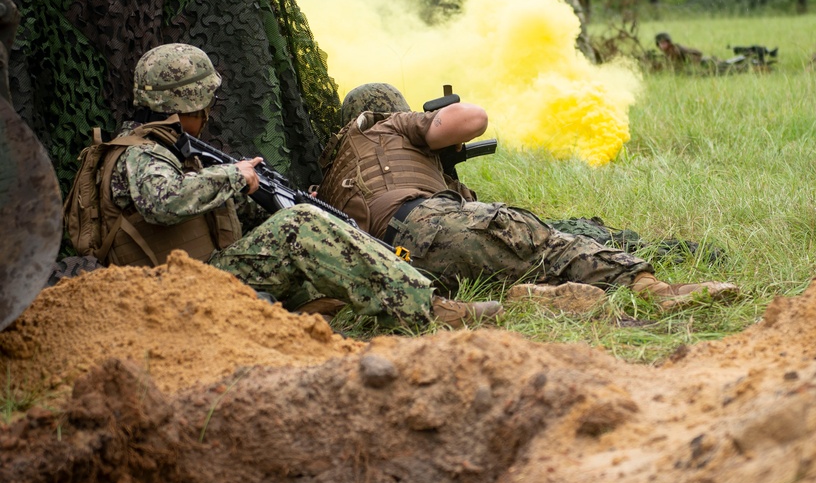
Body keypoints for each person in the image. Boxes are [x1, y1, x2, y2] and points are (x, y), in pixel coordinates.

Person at [74, 43, 500, 330]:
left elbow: (198, 221)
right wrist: (233, 176)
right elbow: (162, 203)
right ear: (183, 105)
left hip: (192, 279)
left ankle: (306, 308)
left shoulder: (165, 150)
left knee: (300, 218)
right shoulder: (140, 154)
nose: (208, 114)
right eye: (203, 105)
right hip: (167, 294)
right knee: (298, 226)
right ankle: (426, 310)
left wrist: (257, 197)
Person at [314, 83, 738, 313]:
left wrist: (445, 168)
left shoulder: (335, 172)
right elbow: (472, 119)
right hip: (425, 226)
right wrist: (437, 120)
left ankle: (539, 297)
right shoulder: (387, 125)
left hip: (404, 269)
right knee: (534, 237)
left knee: (509, 258)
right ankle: (649, 288)